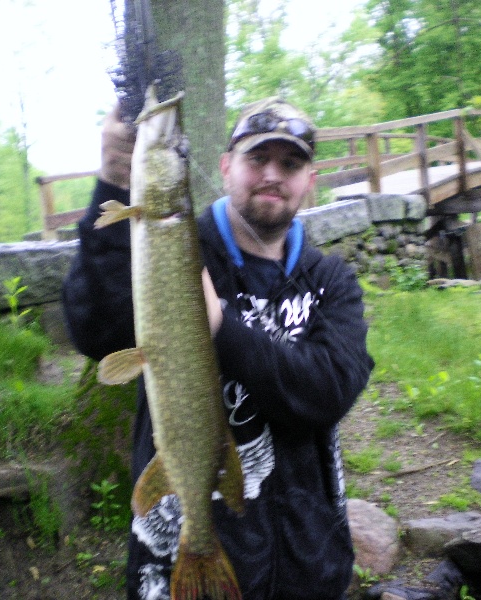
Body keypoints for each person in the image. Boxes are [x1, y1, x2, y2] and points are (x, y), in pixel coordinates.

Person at [62, 96, 374, 600]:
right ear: (227, 167)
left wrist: (220, 328)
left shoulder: (329, 280)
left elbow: (328, 390)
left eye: (290, 164)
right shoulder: (179, 250)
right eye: (257, 159)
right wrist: (116, 178)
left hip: (307, 561)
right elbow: (95, 329)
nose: (273, 174)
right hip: (176, 559)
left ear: (309, 181)